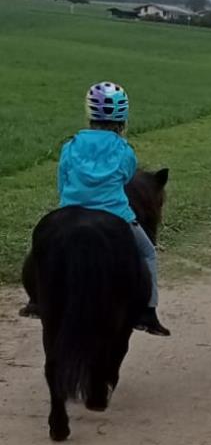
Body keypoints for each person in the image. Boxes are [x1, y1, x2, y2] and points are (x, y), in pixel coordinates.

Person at [20, 82, 170, 336]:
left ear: (89, 114)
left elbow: (63, 181)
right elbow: (125, 178)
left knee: (40, 245)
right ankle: (148, 312)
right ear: (122, 118)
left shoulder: (71, 146)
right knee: (148, 253)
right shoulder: (125, 151)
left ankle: (35, 298)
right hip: (116, 214)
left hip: (71, 209)